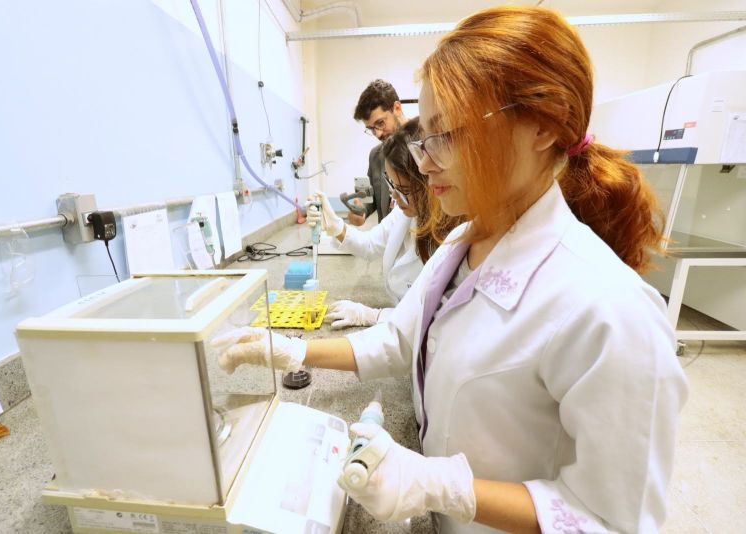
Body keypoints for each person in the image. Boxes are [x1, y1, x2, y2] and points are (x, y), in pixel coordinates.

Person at [217, 6, 687, 533]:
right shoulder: (462, 243)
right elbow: (399, 338)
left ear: (541, 125)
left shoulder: (611, 313)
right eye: (425, 137)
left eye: (449, 134)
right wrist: (293, 351)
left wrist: (444, 486)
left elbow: (612, 519)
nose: (424, 162)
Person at [307, 117, 462, 329]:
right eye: (391, 184)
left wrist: (374, 316)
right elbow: (370, 244)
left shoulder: (455, 238)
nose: (395, 197)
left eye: (404, 189)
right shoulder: (405, 212)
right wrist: (335, 226)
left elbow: (437, 320)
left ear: (430, 182)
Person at [350, 79, 409, 226]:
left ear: (397, 108)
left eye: (380, 123)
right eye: (371, 129)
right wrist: (360, 211)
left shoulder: (424, 147)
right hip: (387, 239)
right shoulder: (376, 156)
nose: (377, 134)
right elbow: (372, 200)